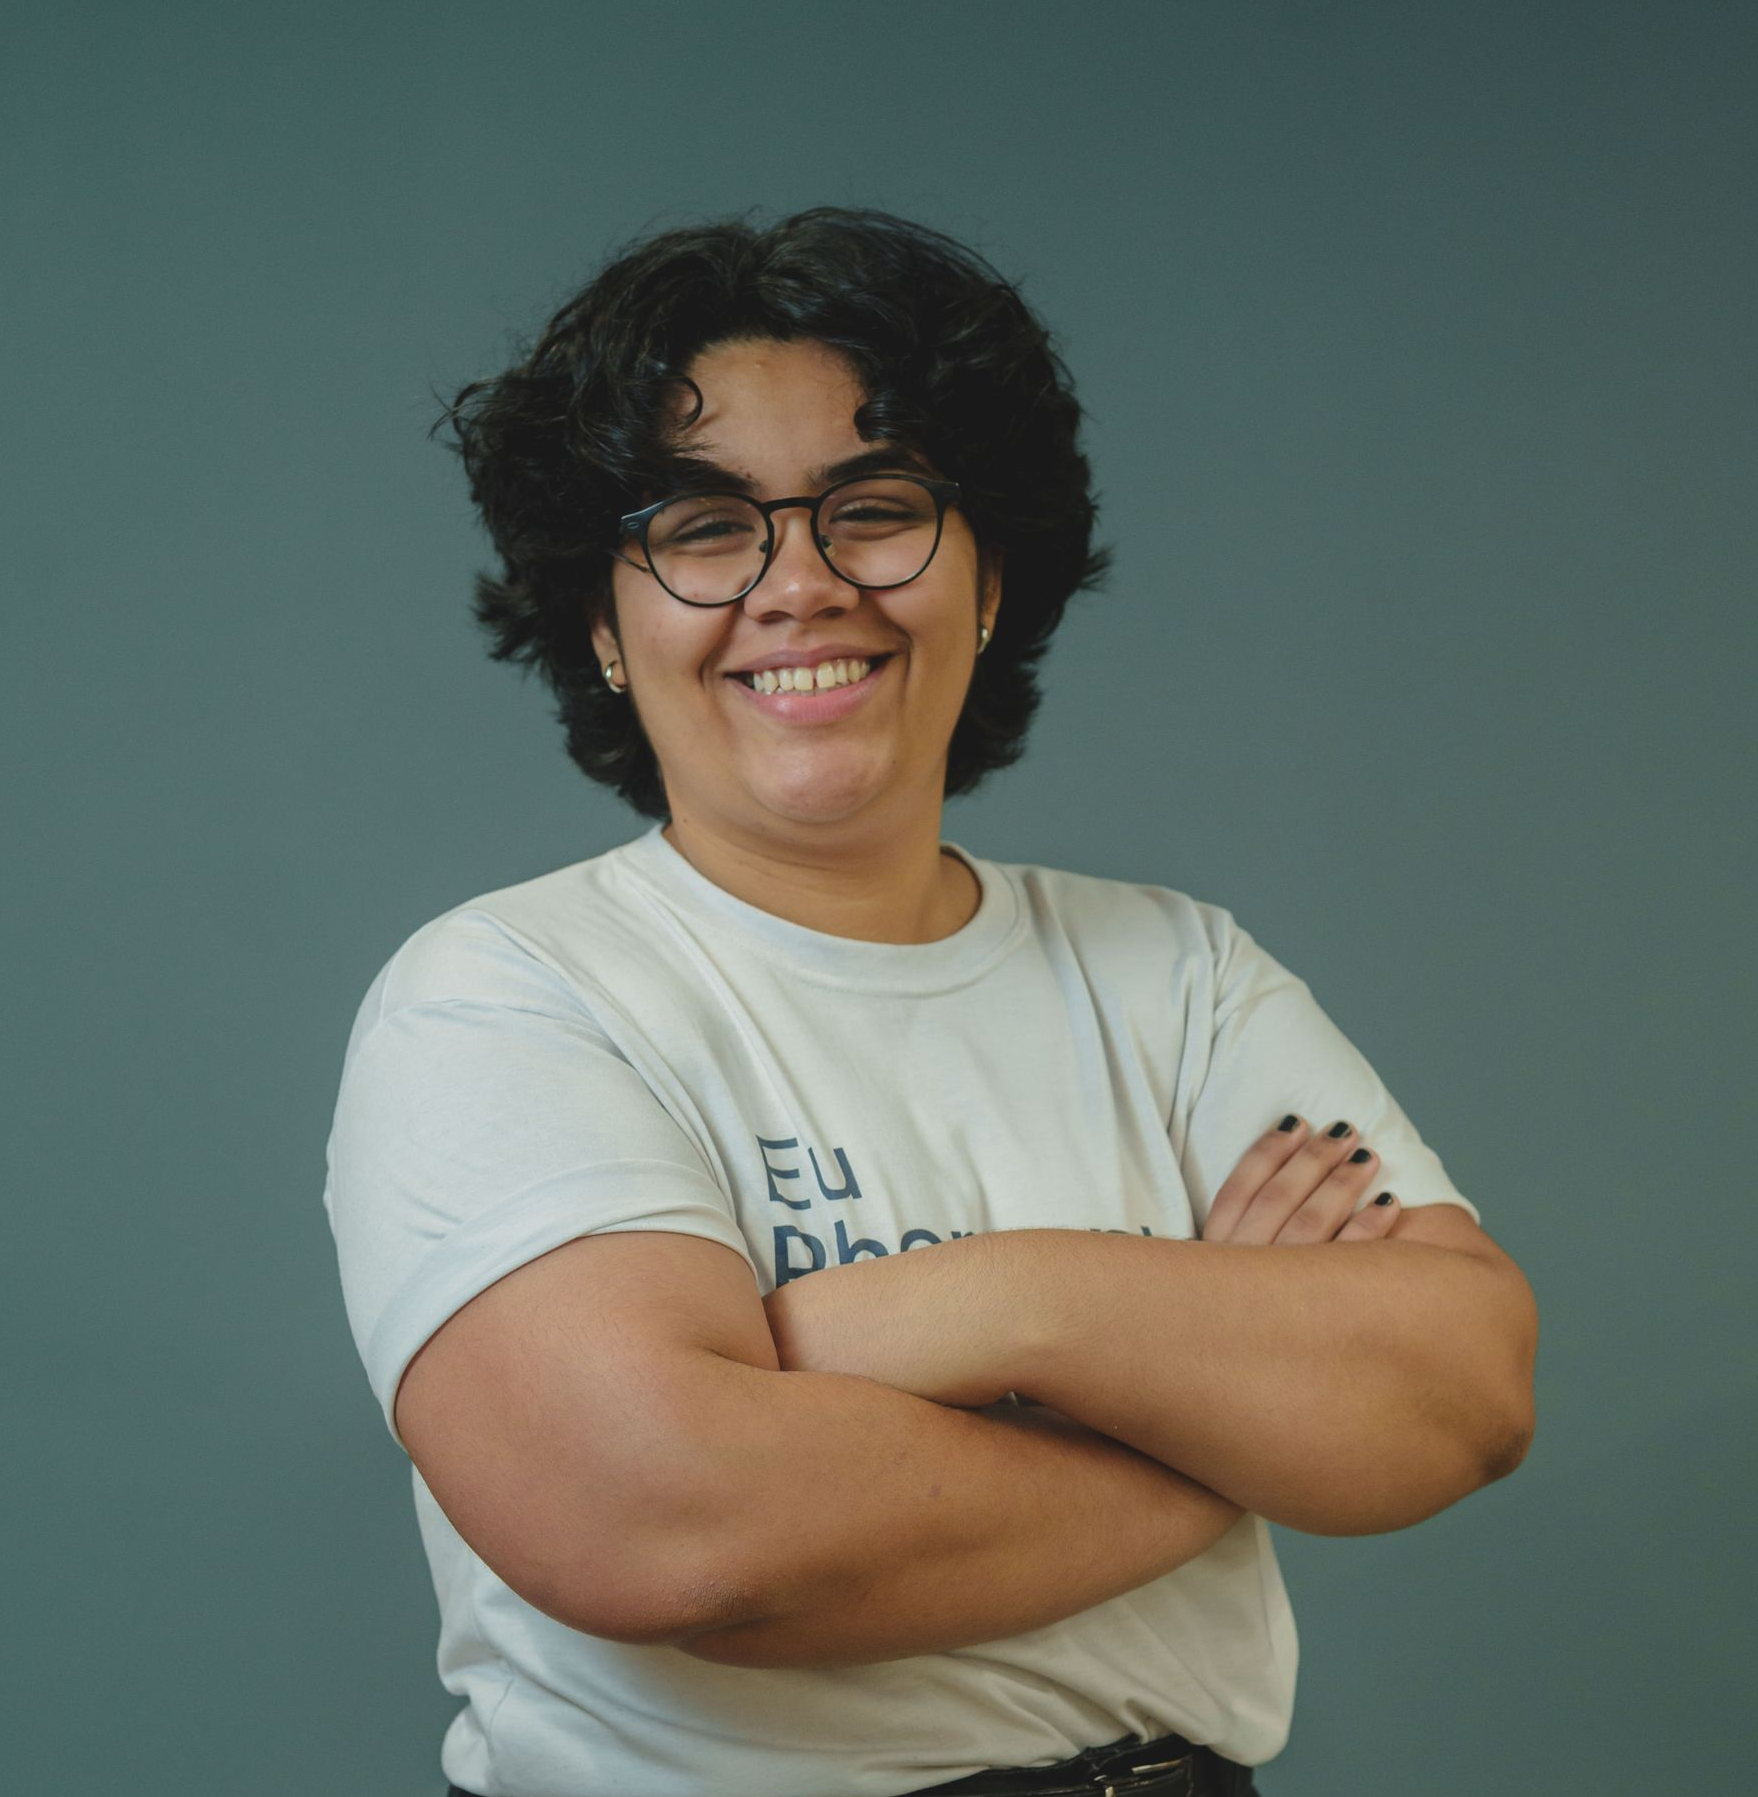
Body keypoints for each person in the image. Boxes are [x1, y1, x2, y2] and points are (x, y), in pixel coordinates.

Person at [323, 206, 1539, 1797]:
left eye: (875, 509)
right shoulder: (507, 996)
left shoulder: (1178, 976)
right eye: (704, 528)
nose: (800, 584)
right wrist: (1229, 1421)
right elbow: (664, 1527)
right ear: (601, 627)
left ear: (987, 581)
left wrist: (1004, 1306)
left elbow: (1461, 1397)